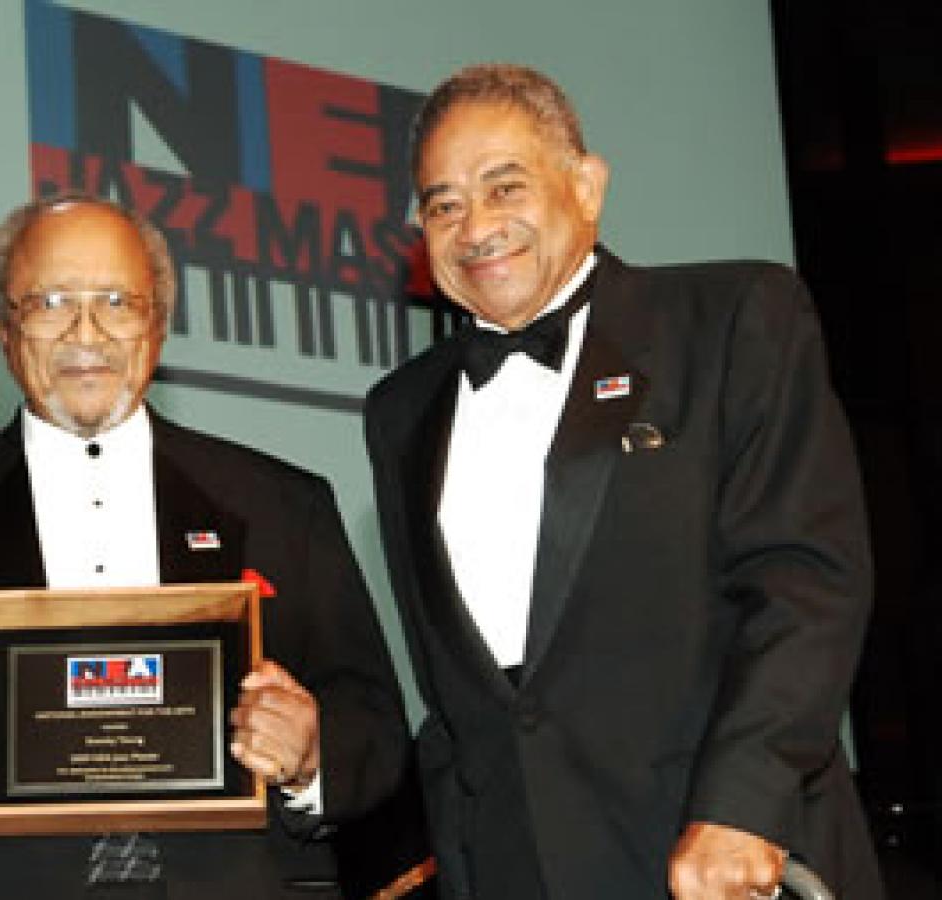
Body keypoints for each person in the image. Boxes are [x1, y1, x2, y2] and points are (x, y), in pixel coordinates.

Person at [364, 63, 884, 900]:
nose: (476, 228)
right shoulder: (400, 413)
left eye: (505, 188)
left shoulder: (735, 318)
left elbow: (804, 584)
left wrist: (743, 809)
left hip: (722, 863)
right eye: (443, 204)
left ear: (587, 184)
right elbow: (462, 697)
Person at [0, 194, 410, 899]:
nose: (86, 331)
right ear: (4, 330)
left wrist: (314, 754)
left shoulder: (287, 507)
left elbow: (375, 723)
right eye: (49, 301)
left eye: (116, 300)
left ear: (158, 324)